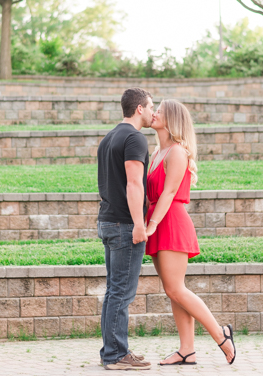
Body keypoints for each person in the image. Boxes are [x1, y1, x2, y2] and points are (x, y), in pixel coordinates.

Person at [144, 99, 237, 366]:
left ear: (172, 119)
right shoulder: (156, 154)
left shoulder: (177, 152)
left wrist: (151, 226)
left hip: (170, 221)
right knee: (173, 290)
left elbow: (170, 192)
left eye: (160, 110)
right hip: (158, 221)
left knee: (176, 289)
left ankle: (221, 336)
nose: (155, 113)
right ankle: (187, 351)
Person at [97, 88, 154, 370]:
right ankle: (116, 355)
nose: (154, 112)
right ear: (140, 109)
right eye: (151, 106)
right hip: (124, 224)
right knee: (121, 292)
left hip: (107, 221)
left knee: (113, 291)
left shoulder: (109, 137)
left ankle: (112, 350)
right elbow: (134, 184)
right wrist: (139, 224)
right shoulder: (134, 138)